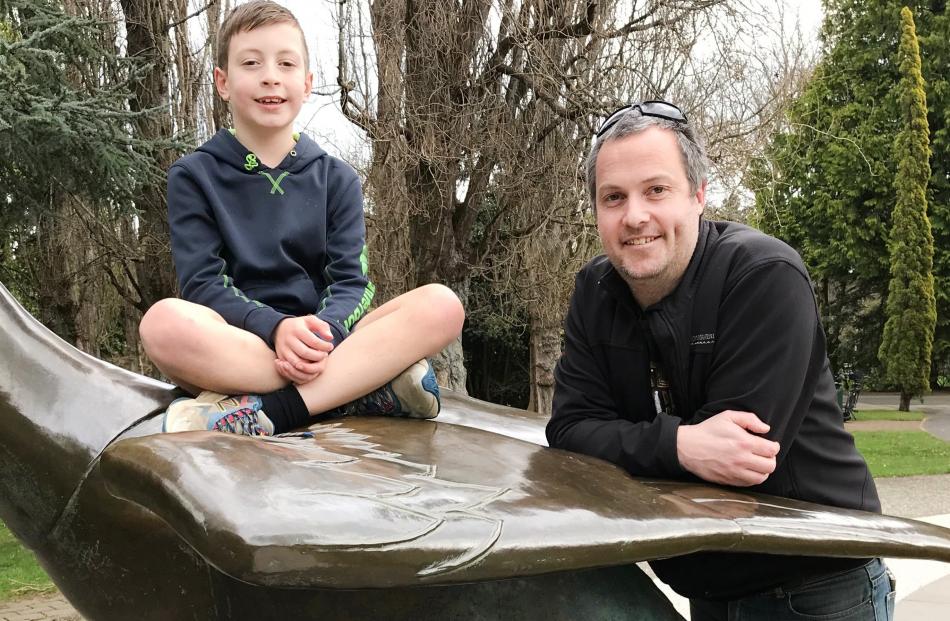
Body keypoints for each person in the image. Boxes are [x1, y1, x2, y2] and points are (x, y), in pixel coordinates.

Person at [546, 100, 894, 620]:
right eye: (613, 197)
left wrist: (626, 442)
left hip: (816, 584)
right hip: (704, 585)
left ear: (699, 195)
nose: (635, 216)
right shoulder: (595, 293)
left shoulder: (764, 276)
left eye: (656, 190)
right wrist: (682, 443)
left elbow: (738, 462)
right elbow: (569, 432)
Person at [139, 1, 464, 437]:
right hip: (242, 344)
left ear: (307, 83)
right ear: (223, 82)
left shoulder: (338, 178)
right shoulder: (193, 175)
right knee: (161, 324)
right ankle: (360, 388)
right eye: (251, 63)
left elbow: (352, 283)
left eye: (286, 63)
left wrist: (322, 335)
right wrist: (276, 329)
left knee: (442, 305)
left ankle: (273, 410)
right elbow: (203, 285)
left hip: (326, 341)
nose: (270, 75)